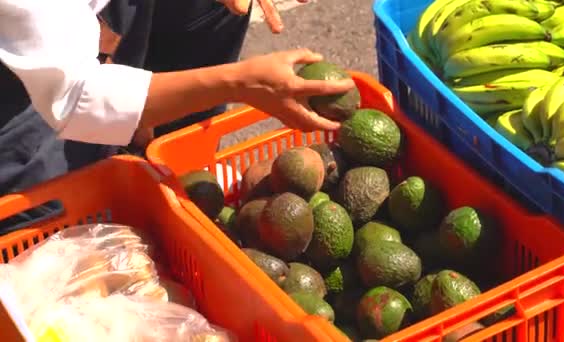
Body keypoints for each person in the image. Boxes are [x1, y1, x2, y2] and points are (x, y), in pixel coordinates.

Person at [0, 0, 355, 234]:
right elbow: (74, 96)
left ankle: (176, 167)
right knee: (52, 230)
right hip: (20, 79)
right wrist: (239, 83)